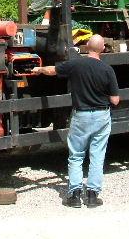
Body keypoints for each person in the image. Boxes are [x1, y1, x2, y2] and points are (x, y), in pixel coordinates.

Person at [33, 34, 119, 208]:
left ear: (87, 46)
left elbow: (53, 70)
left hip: (81, 116)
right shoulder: (107, 70)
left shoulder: (75, 65)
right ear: (102, 49)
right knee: (97, 156)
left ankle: (74, 196)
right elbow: (115, 100)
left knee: (76, 156)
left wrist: (39, 70)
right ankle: (93, 196)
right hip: (101, 116)